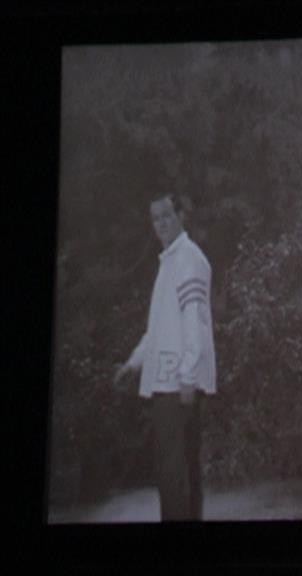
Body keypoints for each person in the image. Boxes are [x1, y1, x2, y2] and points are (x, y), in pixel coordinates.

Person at [114, 194, 216, 521]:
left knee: (174, 472)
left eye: (167, 215)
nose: (161, 223)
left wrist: (187, 374)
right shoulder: (170, 262)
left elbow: (195, 322)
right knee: (180, 469)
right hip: (170, 380)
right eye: (156, 218)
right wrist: (133, 363)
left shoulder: (188, 259)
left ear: (181, 215)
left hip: (177, 383)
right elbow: (157, 331)